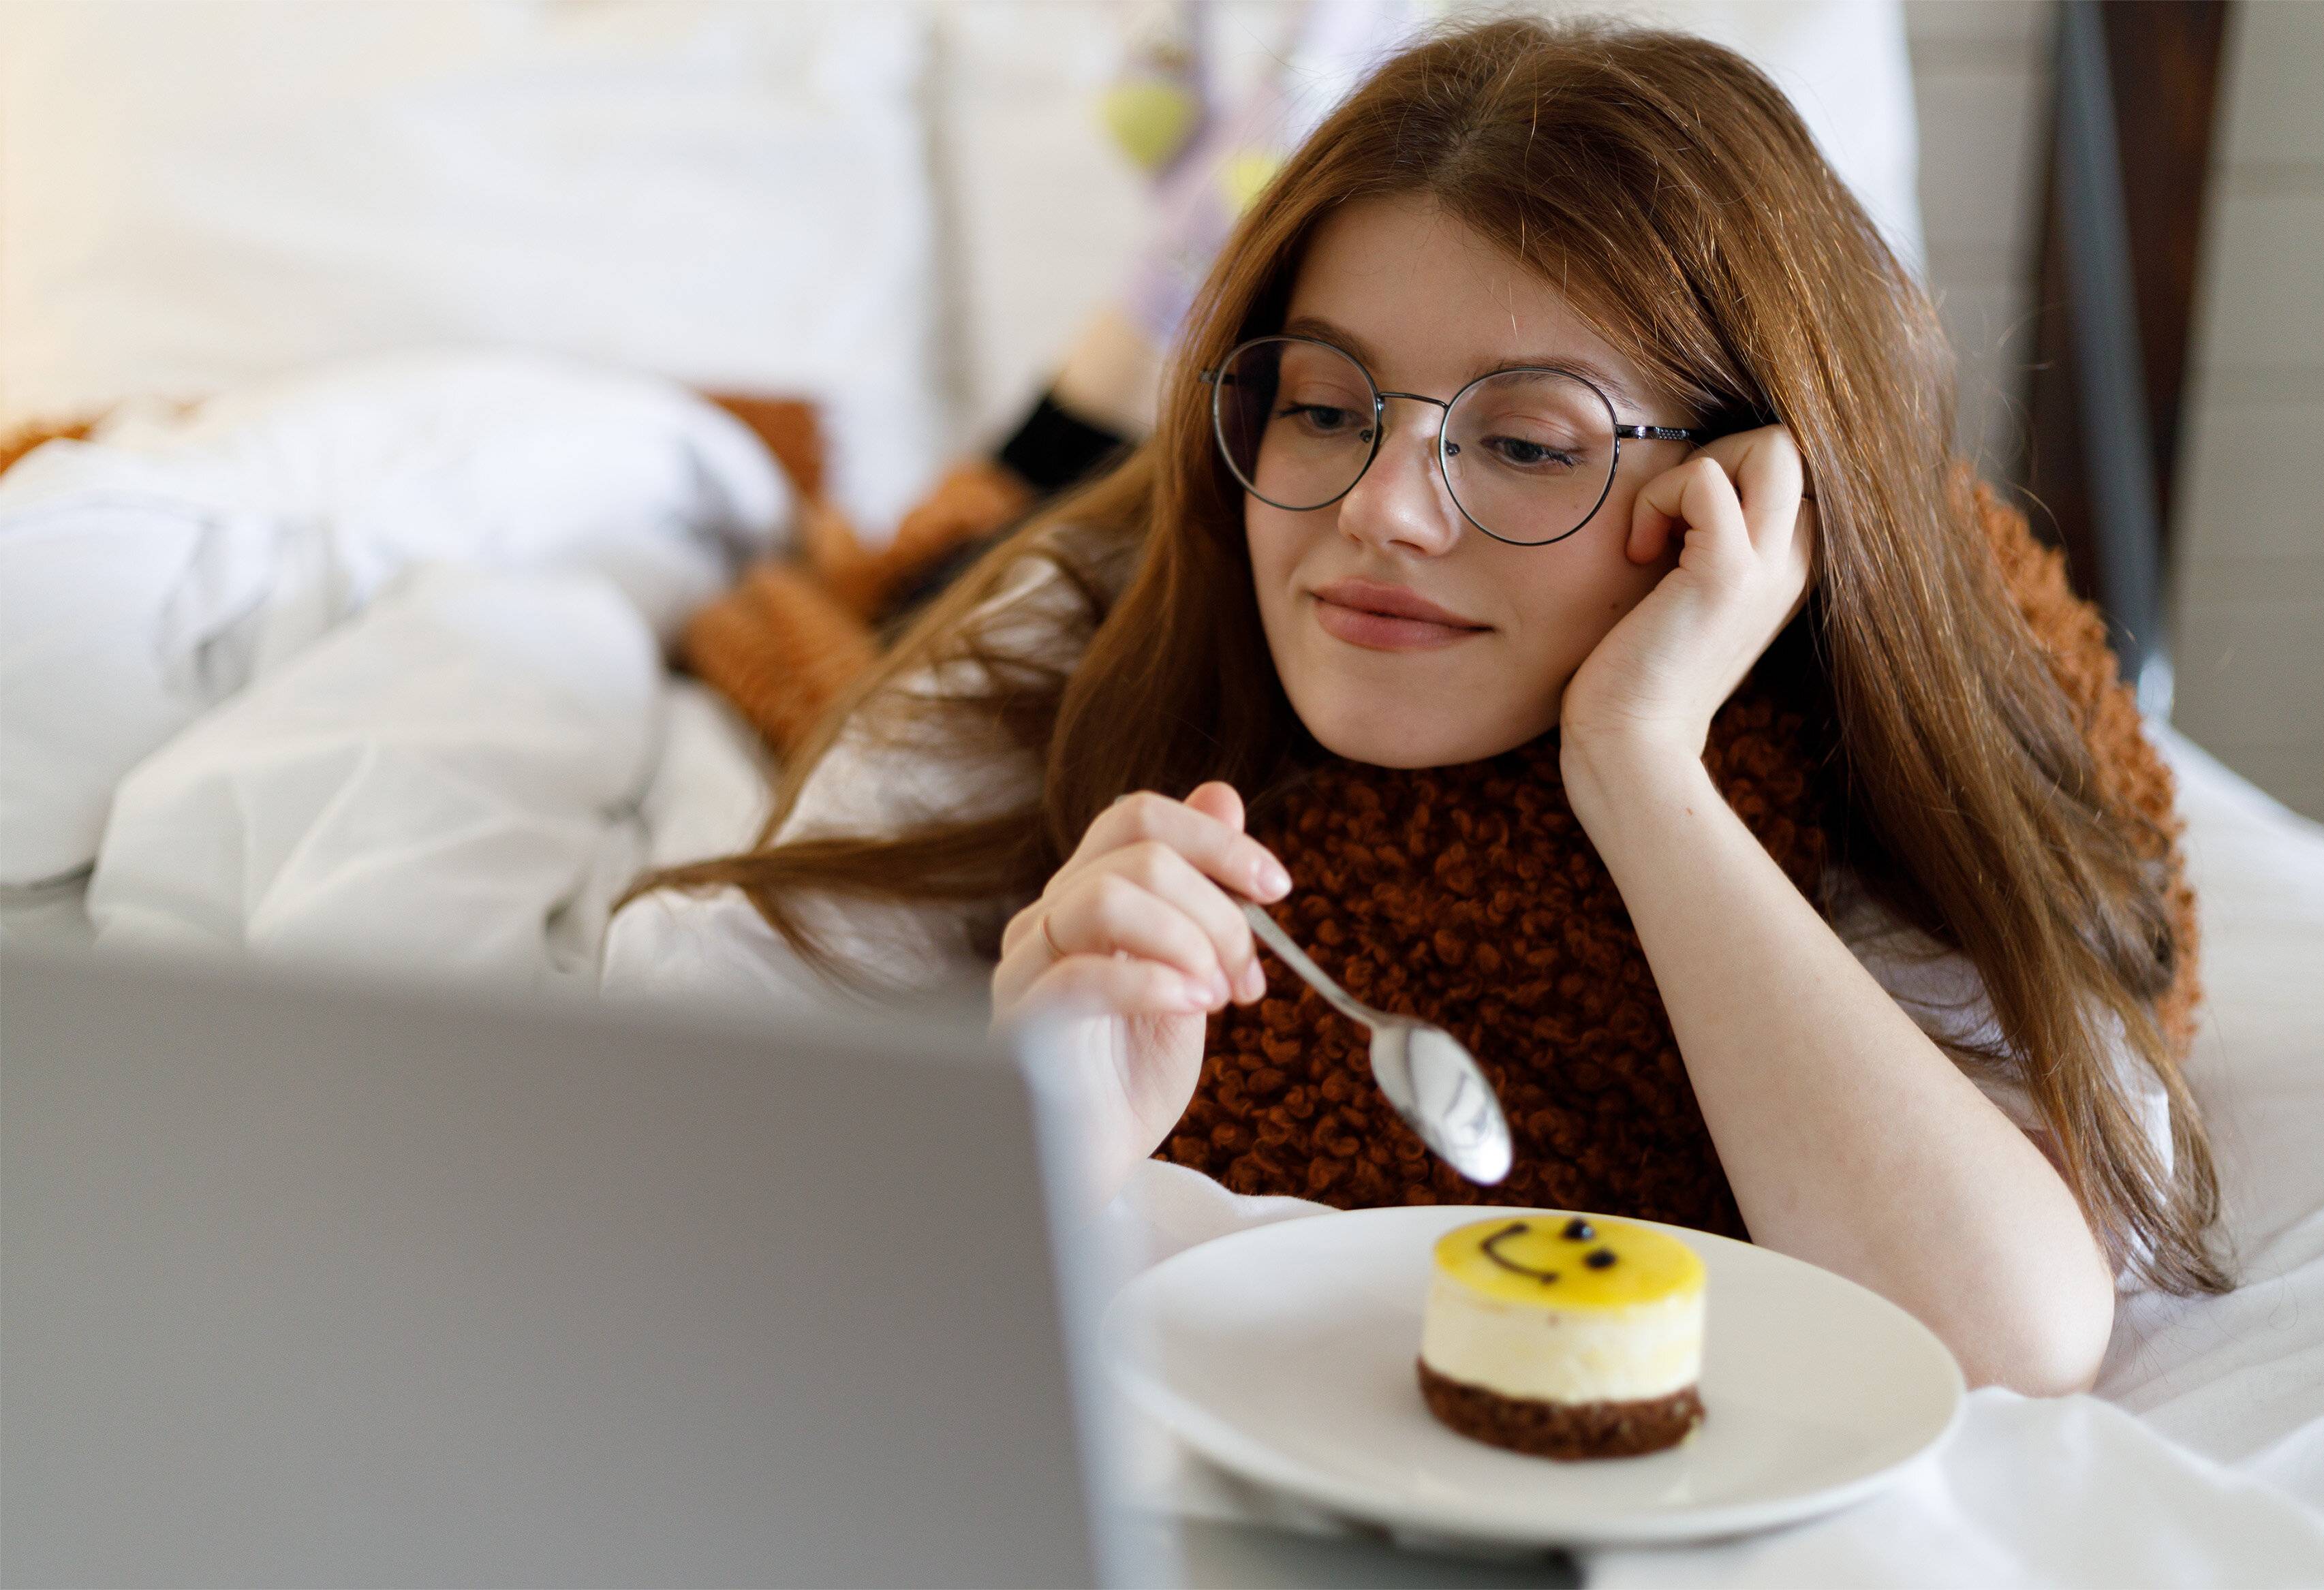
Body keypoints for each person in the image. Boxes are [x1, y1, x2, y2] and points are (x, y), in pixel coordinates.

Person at [608, 16, 2229, 1396]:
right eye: (1322, 404)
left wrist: (1641, 764)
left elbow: (2007, 1334)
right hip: (1024, 530)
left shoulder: (1882, 714)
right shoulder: (1100, 620)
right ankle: (1150, 293)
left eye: (1527, 442)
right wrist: (1036, 1146)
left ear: (1739, 498)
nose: (1383, 507)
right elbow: (679, 1120)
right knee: (887, 580)